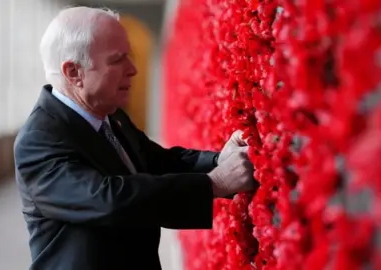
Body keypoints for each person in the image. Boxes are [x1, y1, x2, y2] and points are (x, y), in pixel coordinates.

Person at [13, 6, 257, 270]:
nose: (132, 69)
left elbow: (159, 161)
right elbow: (107, 200)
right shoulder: (38, 139)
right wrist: (214, 183)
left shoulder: (111, 116)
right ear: (74, 72)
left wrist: (221, 159)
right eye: (118, 60)